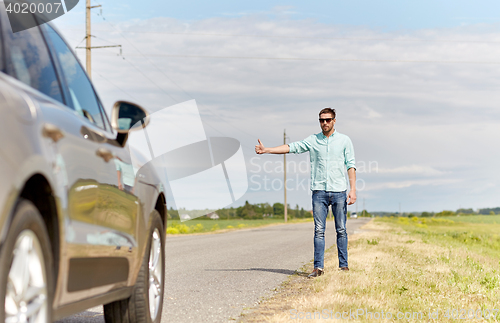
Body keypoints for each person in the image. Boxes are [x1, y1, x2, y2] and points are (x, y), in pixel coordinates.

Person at [255, 107, 356, 277]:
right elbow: (292, 147)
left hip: (339, 191)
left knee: (341, 230)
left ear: (334, 121)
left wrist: (353, 190)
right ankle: (318, 268)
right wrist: (267, 150)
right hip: (319, 191)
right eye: (321, 120)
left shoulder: (345, 141)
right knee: (318, 230)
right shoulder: (313, 140)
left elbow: (351, 165)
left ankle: (343, 267)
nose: (324, 123)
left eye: (328, 120)